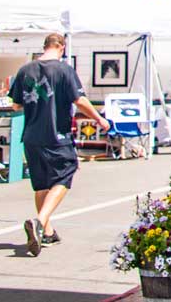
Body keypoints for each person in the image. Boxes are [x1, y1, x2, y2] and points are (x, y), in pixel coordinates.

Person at [11, 33, 109, 256]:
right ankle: (40, 221)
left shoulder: (25, 70)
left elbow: (16, 105)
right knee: (65, 174)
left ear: (43, 47)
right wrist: (99, 118)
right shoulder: (64, 70)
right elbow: (79, 100)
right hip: (57, 135)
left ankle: (47, 231)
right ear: (62, 48)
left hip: (31, 136)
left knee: (41, 184)